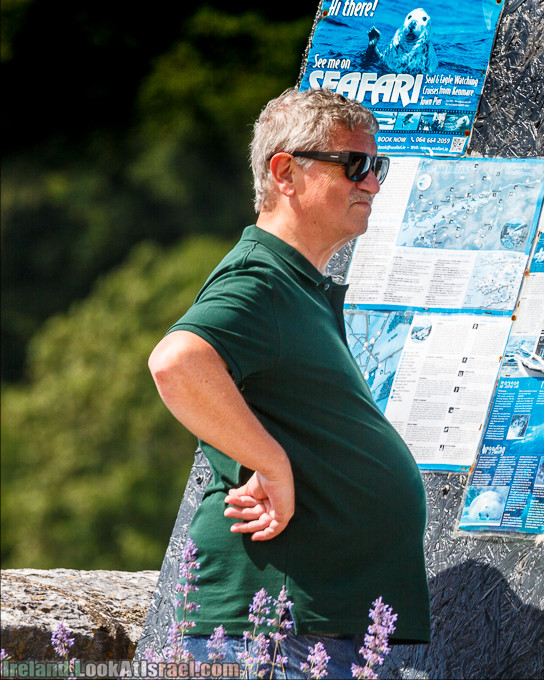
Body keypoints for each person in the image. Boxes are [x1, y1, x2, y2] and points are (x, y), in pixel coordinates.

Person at [148, 89, 429, 674]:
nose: (372, 184)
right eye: (355, 165)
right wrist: (271, 464)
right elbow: (177, 362)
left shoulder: (295, 286)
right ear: (285, 173)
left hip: (307, 627)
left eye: (377, 167)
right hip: (278, 633)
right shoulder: (262, 279)